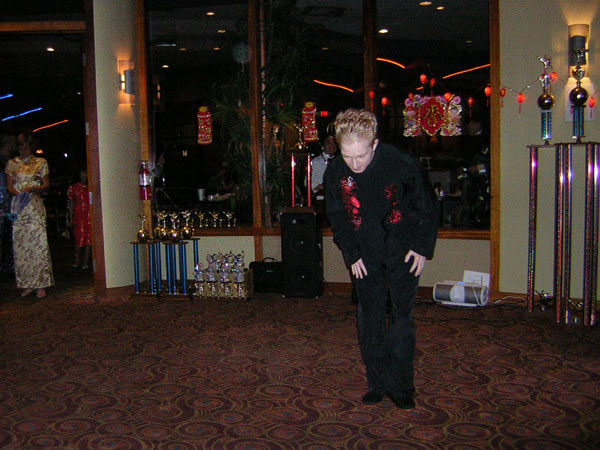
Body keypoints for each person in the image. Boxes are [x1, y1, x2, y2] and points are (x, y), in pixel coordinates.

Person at [324, 109, 438, 409]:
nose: (355, 164)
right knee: (370, 319)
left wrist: (422, 246)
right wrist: (352, 253)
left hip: (403, 248)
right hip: (364, 252)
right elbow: (338, 216)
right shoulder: (335, 171)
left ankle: (402, 387)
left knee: (401, 318)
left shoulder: (402, 163)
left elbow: (427, 206)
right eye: (348, 156)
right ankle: (377, 383)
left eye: (361, 156)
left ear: (374, 144)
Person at [5, 131, 54, 298]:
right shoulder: (12, 163)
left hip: (34, 206)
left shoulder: (41, 162)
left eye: (26, 147)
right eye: (20, 147)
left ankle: (40, 283)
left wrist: (35, 189)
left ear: (31, 147)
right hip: (19, 207)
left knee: (37, 244)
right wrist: (19, 194)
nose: (23, 150)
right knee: (21, 245)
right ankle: (26, 283)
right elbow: (9, 187)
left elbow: (46, 185)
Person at [67, 168, 91, 269]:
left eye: (86, 173)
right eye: (83, 172)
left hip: (89, 216)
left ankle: (86, 262)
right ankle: (76, 261)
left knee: (89, 239)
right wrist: (71, 218)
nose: (85, 175)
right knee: (78, 239)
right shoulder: (74, 188)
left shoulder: (90, 187)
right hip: (79, 216)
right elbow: (71, 204)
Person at [0, 134, 16, 278]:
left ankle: (8, 267)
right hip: (3, 203)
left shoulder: (10, 162)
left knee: (9, 237)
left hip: (9, 204)